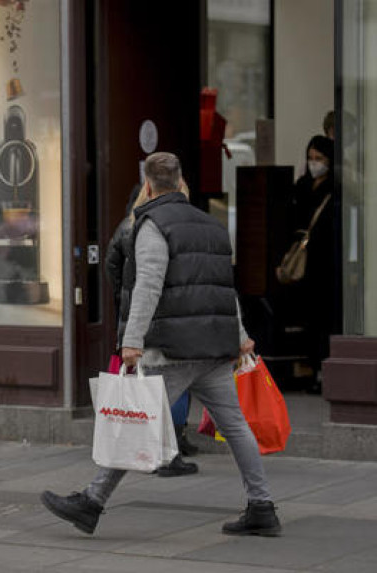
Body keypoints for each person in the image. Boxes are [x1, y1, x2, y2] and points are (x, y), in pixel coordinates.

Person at [42, 152, 281, 538]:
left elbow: (148, 286)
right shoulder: (212, 225)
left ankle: (92, 501)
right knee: (235, 426)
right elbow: (224, 289)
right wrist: (239, 338)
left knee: (135, 419)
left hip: (174, 348)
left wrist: (132, 341)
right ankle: (262, 506)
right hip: (214, 347)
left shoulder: (152, 225)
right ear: (181, 182)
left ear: (148, 185)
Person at [105, 182, 199, 478]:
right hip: (164, 319)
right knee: (169, 387)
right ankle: (169, 450)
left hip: (134, 316)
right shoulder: (163, 228)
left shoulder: (125, 227)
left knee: (145, 387)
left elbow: (113, 269)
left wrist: (124, 299)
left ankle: (142, 449)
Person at [286, 135, 341, 385]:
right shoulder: (302, 186)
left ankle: (323, 369)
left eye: (319, 158)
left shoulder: (335, 188)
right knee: (308, 318)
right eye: (310, 158)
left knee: (325, 318)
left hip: (327, 263)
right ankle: (311, 367)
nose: (313, 163)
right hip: (306, 261)